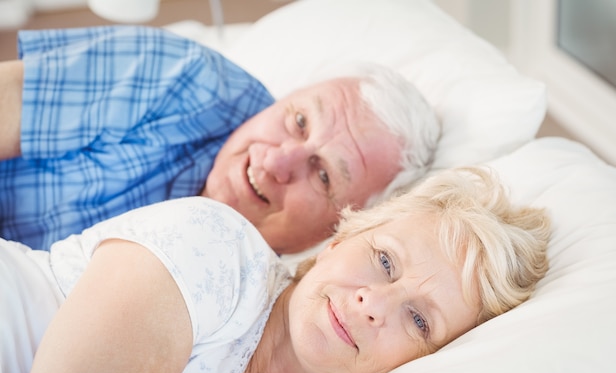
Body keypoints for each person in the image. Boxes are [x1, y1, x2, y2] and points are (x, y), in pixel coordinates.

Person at [1, 166, 551, 373]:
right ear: (341, 238)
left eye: (420, 320)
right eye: (384, 260)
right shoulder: (214, 249)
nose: (372, 305)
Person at [0, 25, 441, 255]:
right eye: (300, 121)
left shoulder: (264, 307)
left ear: (336, 231)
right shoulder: (183, 79)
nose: (278, 161)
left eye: (324, 174)